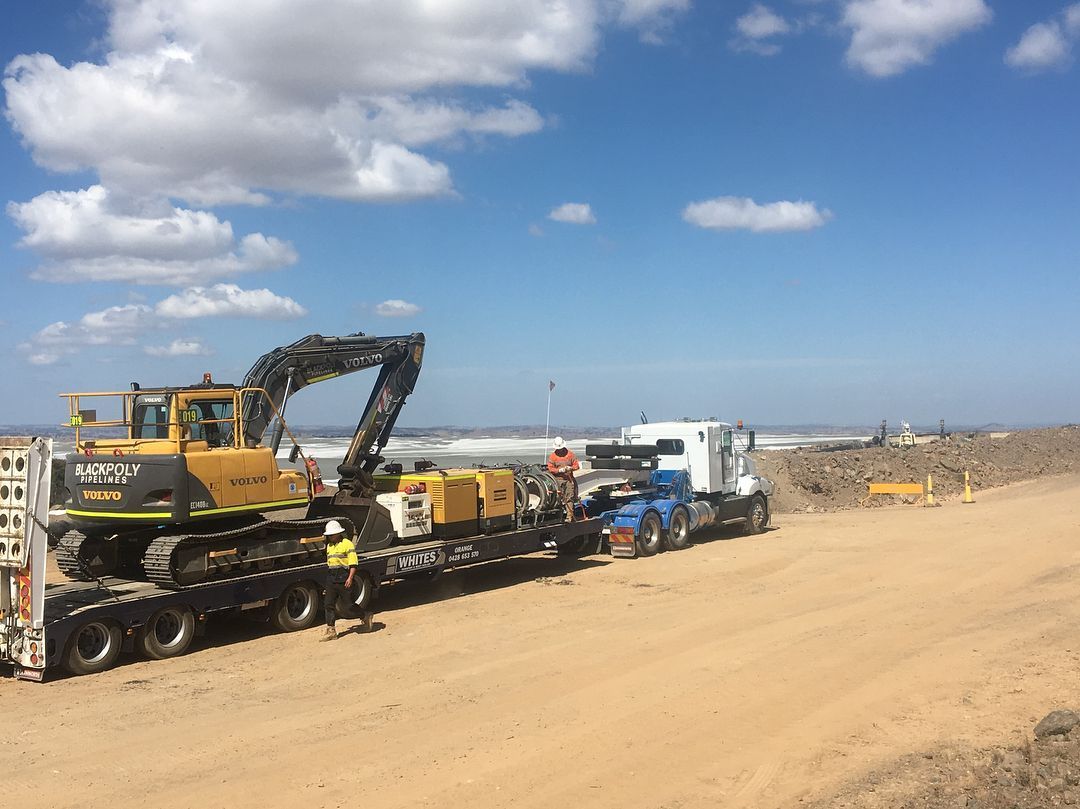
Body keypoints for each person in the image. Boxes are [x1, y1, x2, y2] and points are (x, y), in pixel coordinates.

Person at [321, 519, 356, 642]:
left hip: (343, 577)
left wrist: (350, 578)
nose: (330, 537)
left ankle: (365, 615)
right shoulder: (329, 546)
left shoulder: (347, 544)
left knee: (348, 605)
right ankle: (331, 630)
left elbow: (353, 563)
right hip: (331, 577)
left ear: (338, 533)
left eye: (332, 535)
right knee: (328, 604)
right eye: (329, 535)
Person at [546, 436, 580, 521]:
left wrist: (570, 468)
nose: (560, 450)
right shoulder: (553, 456)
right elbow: (550, 468)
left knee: (569, 497)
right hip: (557, 480)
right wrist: (559, 470)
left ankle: (569, 516)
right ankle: (559, 516)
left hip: (568, 479)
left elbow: (576, 466)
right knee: (558, 498)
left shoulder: (570, 455)